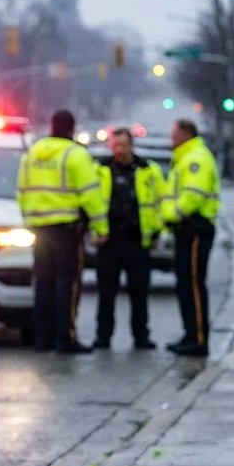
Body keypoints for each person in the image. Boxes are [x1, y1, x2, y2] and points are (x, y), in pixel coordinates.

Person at [17, 109, 109, 354]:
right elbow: (91, 195)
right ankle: (64, 338)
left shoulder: (33, 152)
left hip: (39, 229)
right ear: (72, 129)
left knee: (43, 281)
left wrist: (29, 220)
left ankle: (41, 338)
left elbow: (22, 190)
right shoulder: (75, 154)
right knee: (67, 283)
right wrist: (101, 228)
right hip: (66, 230)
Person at [93, 127, 165, 350]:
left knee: (139, 293)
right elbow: (92, 203)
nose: (120, 150)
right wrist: (96, 231)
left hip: (137, 241)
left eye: (124, 145)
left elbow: (160, 203)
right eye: (116, 145)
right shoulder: (100, 169)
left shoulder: (147, 170)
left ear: (132, 146)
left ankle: (141, 335)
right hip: (110, 240)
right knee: (106, 293)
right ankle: (103, 336)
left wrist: (156, 232)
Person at [159, 119, 219, 357]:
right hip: (187, 229)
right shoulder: (186, 156)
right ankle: (190, 335)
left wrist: (172, 214)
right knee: (185, 284)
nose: (171, 139)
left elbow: (192, 196)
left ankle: (198, 339)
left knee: (193, 285)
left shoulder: (195, 158)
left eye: (174, 134)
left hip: (195, 227)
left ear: (185, 134)